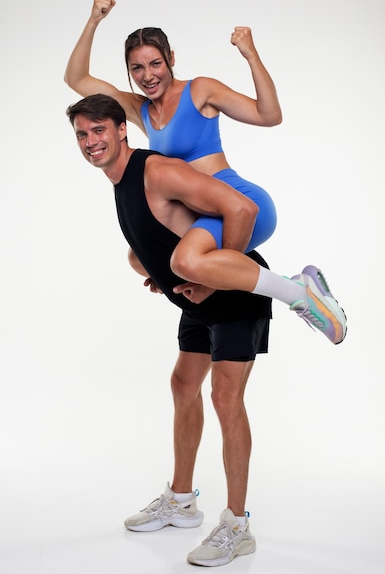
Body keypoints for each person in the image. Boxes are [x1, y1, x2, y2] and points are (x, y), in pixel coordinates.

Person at [65, 94, 347, 567]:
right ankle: (181, 500)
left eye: (99, 130)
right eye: (82, 134)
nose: (92, 141)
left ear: (121, 131)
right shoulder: (118, 183)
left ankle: (238, 526)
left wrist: (209, 277)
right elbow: (153, 238)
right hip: (197, 299)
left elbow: (240, 209)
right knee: (182, 384)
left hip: (235, 295)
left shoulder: (154, 169)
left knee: (224, 398)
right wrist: (155, 269)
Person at [64, 0, 282, 267]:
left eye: (155, 63)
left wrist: (251, 55)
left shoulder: (200, 90)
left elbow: (270, 115)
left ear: (171, 59)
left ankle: (299, 291)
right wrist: (94, 20)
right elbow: (76, 78)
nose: (147, 76)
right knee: (140, 258)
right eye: (137, 68)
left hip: (239, 204)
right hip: (199, 213)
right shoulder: (140, 109)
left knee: (193, 265)